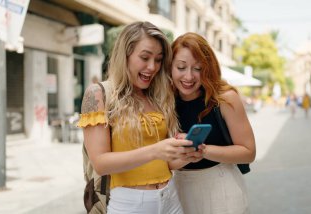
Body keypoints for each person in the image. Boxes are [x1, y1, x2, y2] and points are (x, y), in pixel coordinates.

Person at [78, 21, 196, 214]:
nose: (152, 67)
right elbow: (100, 163)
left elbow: (164, 163)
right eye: (145, 57)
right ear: (125, 54)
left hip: (170, 198)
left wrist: (187, 155)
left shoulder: (158, 95)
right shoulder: (98, 93)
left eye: (158, 59)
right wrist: (156, 150)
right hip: (129, 204)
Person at [169, 32, 256, 214]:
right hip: (177, 188)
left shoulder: (225, 98)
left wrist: (203, 150)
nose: (189, 76)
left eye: (198, 68)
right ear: (170, 67)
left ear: (208, 68)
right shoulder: (163, 101)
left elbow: (248, 152)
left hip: (221, 188)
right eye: (181, 67)